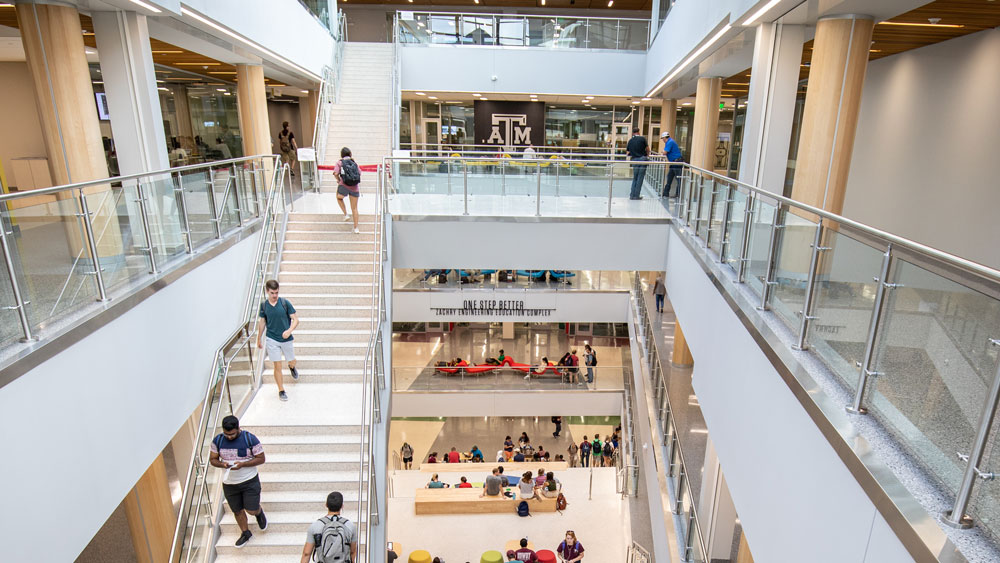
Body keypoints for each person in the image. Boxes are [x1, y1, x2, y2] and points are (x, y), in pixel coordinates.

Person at [210, 415, 266, 548]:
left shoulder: (250, 439)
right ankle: (245, 532)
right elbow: (213, 459)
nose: (229, 437)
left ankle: (258, 512)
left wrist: (243, 464)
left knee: (250, 510)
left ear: (238, 428)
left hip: (249, 481)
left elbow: (261, 459)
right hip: (229, 483)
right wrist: (222, 464)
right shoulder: (217, 440)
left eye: (232, 434)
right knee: (237, 510)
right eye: (226, 434)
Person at [257, 279, 299, 401]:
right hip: (272, 339)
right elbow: (262, 321)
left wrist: (289, 330)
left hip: (286, 339)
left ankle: (292, 367)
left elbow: (296, 319)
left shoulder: (285, 303)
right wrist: (259, 338)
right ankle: (281, 390)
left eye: (276, 292)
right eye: (272, 293)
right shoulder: (264, 306)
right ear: (267, 292)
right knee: (277, 365)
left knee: (291, 360)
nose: (275, 295)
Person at [301, 491, 357, 563]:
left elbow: (306, 554)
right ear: (342, 506)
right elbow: (352, 552)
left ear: (326, 505)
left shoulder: (315, 526)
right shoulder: (350, 526)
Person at [333, 147, 362, 234]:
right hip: (354, 187)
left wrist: (338, 180)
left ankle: (345, 214)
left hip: (344, 185)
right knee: (354, 208)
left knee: (338, 198)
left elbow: (335, 173)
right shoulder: (354, 162)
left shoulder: (340, 162)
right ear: (350, 154)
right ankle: (356, 228)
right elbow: (360, 173)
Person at [626, 127, 649, 200]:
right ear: (639, 132)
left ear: (633, 133)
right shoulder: (643, 139)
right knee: (640, 178)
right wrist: (647, 155)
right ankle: (636, 195)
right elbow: (648, 149)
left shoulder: (630, 141)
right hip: (642, 159)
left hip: (635, 160)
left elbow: (627, 152)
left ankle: (632, 195)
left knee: (635, 177)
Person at [661, 131, 683, 198]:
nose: (662, 140)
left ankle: (678, 194)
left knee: (678, 178)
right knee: (669, 177)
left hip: (677, 162)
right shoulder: (670, 142)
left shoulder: (670, 142)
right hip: (674, 162)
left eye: (663, 139)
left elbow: (664, 152)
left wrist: (662, 151)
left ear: (665, 138)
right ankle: (665, 193)